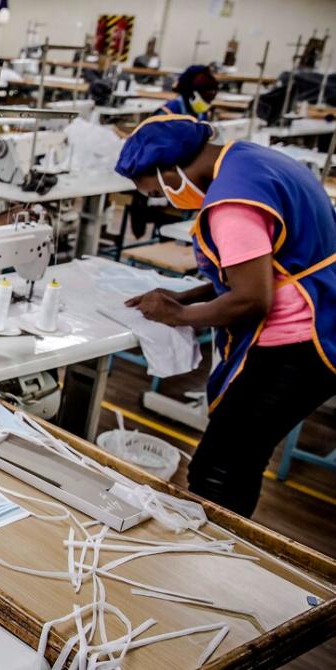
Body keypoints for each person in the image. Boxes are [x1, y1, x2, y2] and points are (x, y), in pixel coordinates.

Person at [115, 115, 336, 517]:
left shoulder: (231, 204)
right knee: (240, 454)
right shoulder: (250, 160)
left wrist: (179, 314)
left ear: (170, 171)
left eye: (158, 191)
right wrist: (185, 295)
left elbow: (252, 299)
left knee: (220, 469)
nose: (165, 200)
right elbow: (264, 268)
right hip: (322, 315)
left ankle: (218, 560)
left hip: (298, 344)